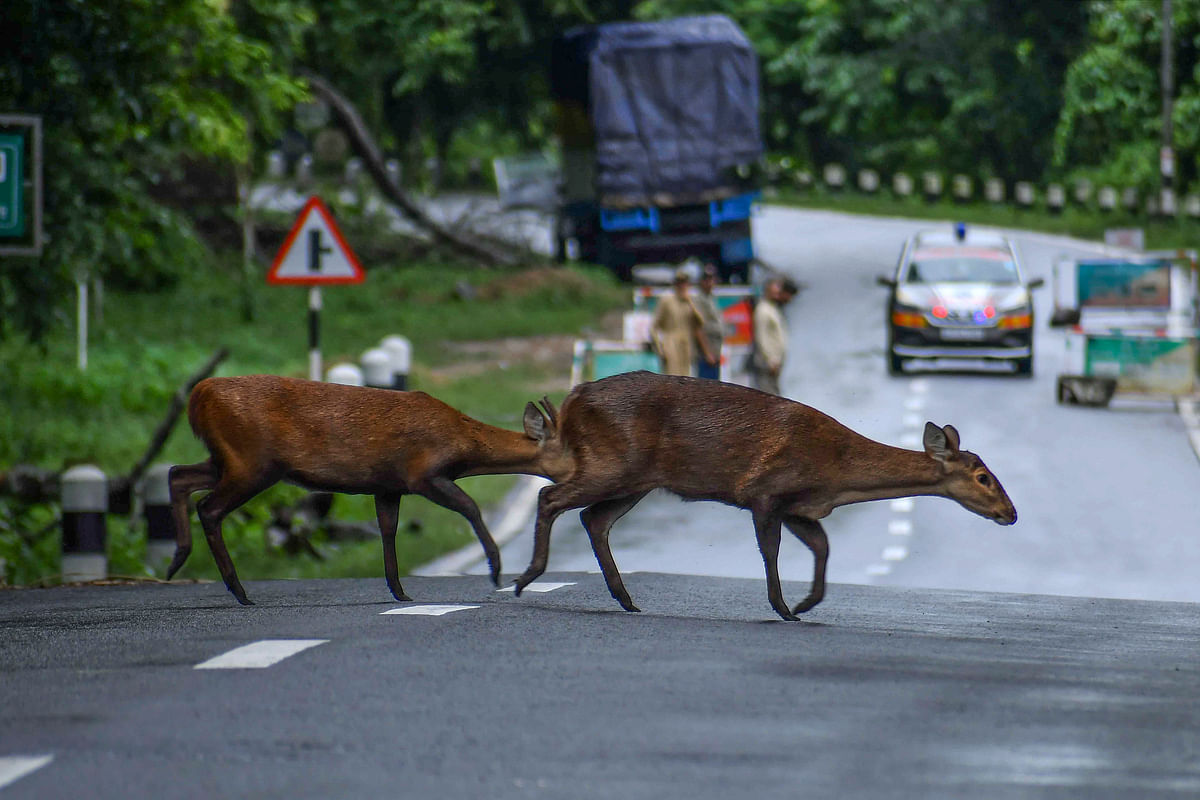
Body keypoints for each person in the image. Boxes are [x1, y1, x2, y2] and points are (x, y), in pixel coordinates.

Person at [651, 267, 705, 376]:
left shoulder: (690, 301)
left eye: (685, 283)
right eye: (679, 283)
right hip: (670, 344)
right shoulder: (666, 300)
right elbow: (654, 327)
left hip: (686, 346)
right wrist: (659, 348)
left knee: (685, 380)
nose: (682, 286)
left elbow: (700, 322)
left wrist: (690, 302)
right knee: (671, 379)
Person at [751, 276, 797, 395]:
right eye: (775, 287)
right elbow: (761, 336)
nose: (778, 291)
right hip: (767, 362)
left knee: (774, 394)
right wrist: (770, 359)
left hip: (775, 362)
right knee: (767, 396)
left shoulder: (773, 309)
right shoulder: (763, 309)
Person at [693, 264, 724, 380]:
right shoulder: (699, 299)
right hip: (706, 355)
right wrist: (707, 353)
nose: (710, 282)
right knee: (706, 389)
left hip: (715, 351)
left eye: (712, 279)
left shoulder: (711, 298)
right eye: (706, 279)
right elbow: (698, 328)